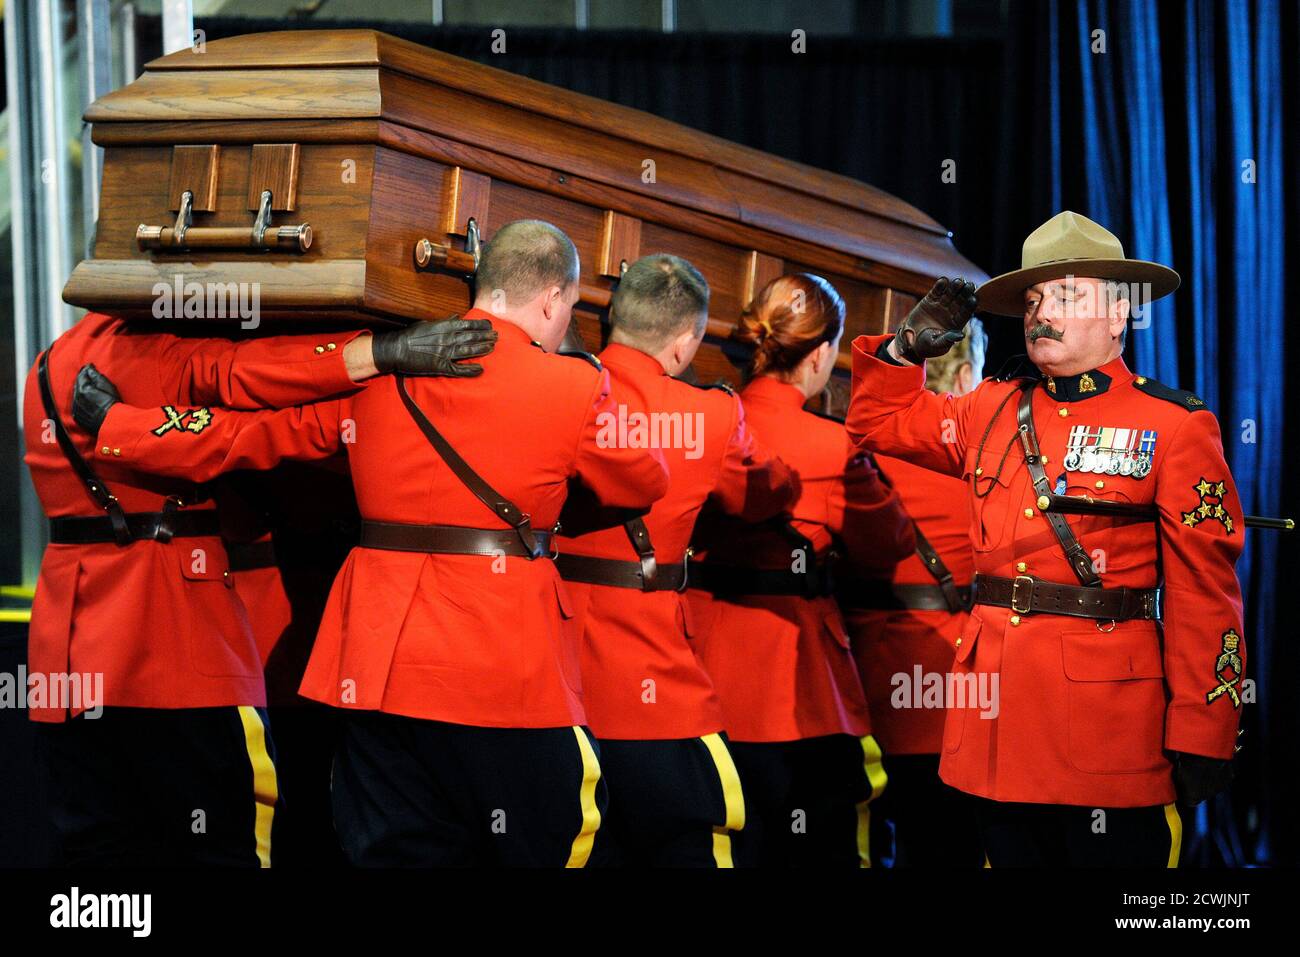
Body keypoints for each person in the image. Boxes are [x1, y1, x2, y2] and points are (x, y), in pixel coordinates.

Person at [84, 219, 671, 866]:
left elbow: (241, 436)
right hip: (506, 675)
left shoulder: (378, 375)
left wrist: (120, 425)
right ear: (555, 298)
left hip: (378, 673)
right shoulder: (577, 386)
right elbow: (643, 477)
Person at [846, 210, 1245, 867]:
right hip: (999, 733)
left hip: (1108, 737)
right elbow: (877, 422)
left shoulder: (1173, 424)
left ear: (1119, 316)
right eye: (1033, 299)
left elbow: (1207, 596)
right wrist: (903, 352)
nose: (1042, 312)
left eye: (1065, 294)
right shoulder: (993, 406)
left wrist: (1205, 725)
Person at [23, 311, 494, 866]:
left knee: (99, 857)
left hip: (68, 654)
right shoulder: (155, 351)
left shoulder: (49, 360)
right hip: (172, 647)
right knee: (229, 844)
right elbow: (245, 373)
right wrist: (381, 355)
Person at [552, 254, 794, 867]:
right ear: (687, 342)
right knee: (700, 831)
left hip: (545, 667)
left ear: (612, 319)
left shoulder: (555, 387)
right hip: (649, 674)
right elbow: (762, 493)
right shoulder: (711, 414)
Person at [686, 273, 915, 867]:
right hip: (800, 694)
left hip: (697, 679)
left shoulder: (702, 420)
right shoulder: (832, 446)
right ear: (820, 355)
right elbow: (889, 543)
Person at [841, 320, 987, 867]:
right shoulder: (980, 462)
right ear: (968, 374)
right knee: (948, 844)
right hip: (948, 682)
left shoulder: (868, 443)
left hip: (866, 673)